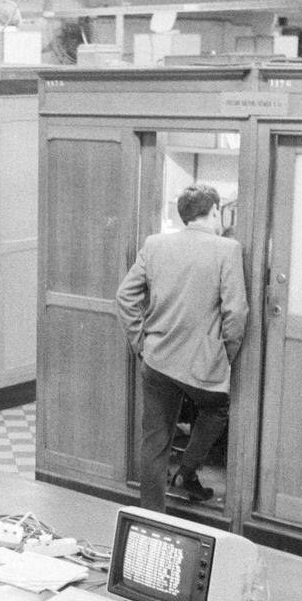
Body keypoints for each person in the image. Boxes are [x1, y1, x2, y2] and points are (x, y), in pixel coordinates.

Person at [115, 184, 248, 511]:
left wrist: (141, 343)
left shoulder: (156, 244)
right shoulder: (227, 249)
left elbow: (125, 297)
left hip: (158, 359)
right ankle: (187, 472)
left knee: (155, 443)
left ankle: (151, 517)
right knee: (216, 409)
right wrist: (225, 354)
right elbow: (236, 313)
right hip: (203, 364)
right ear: (215, 211)